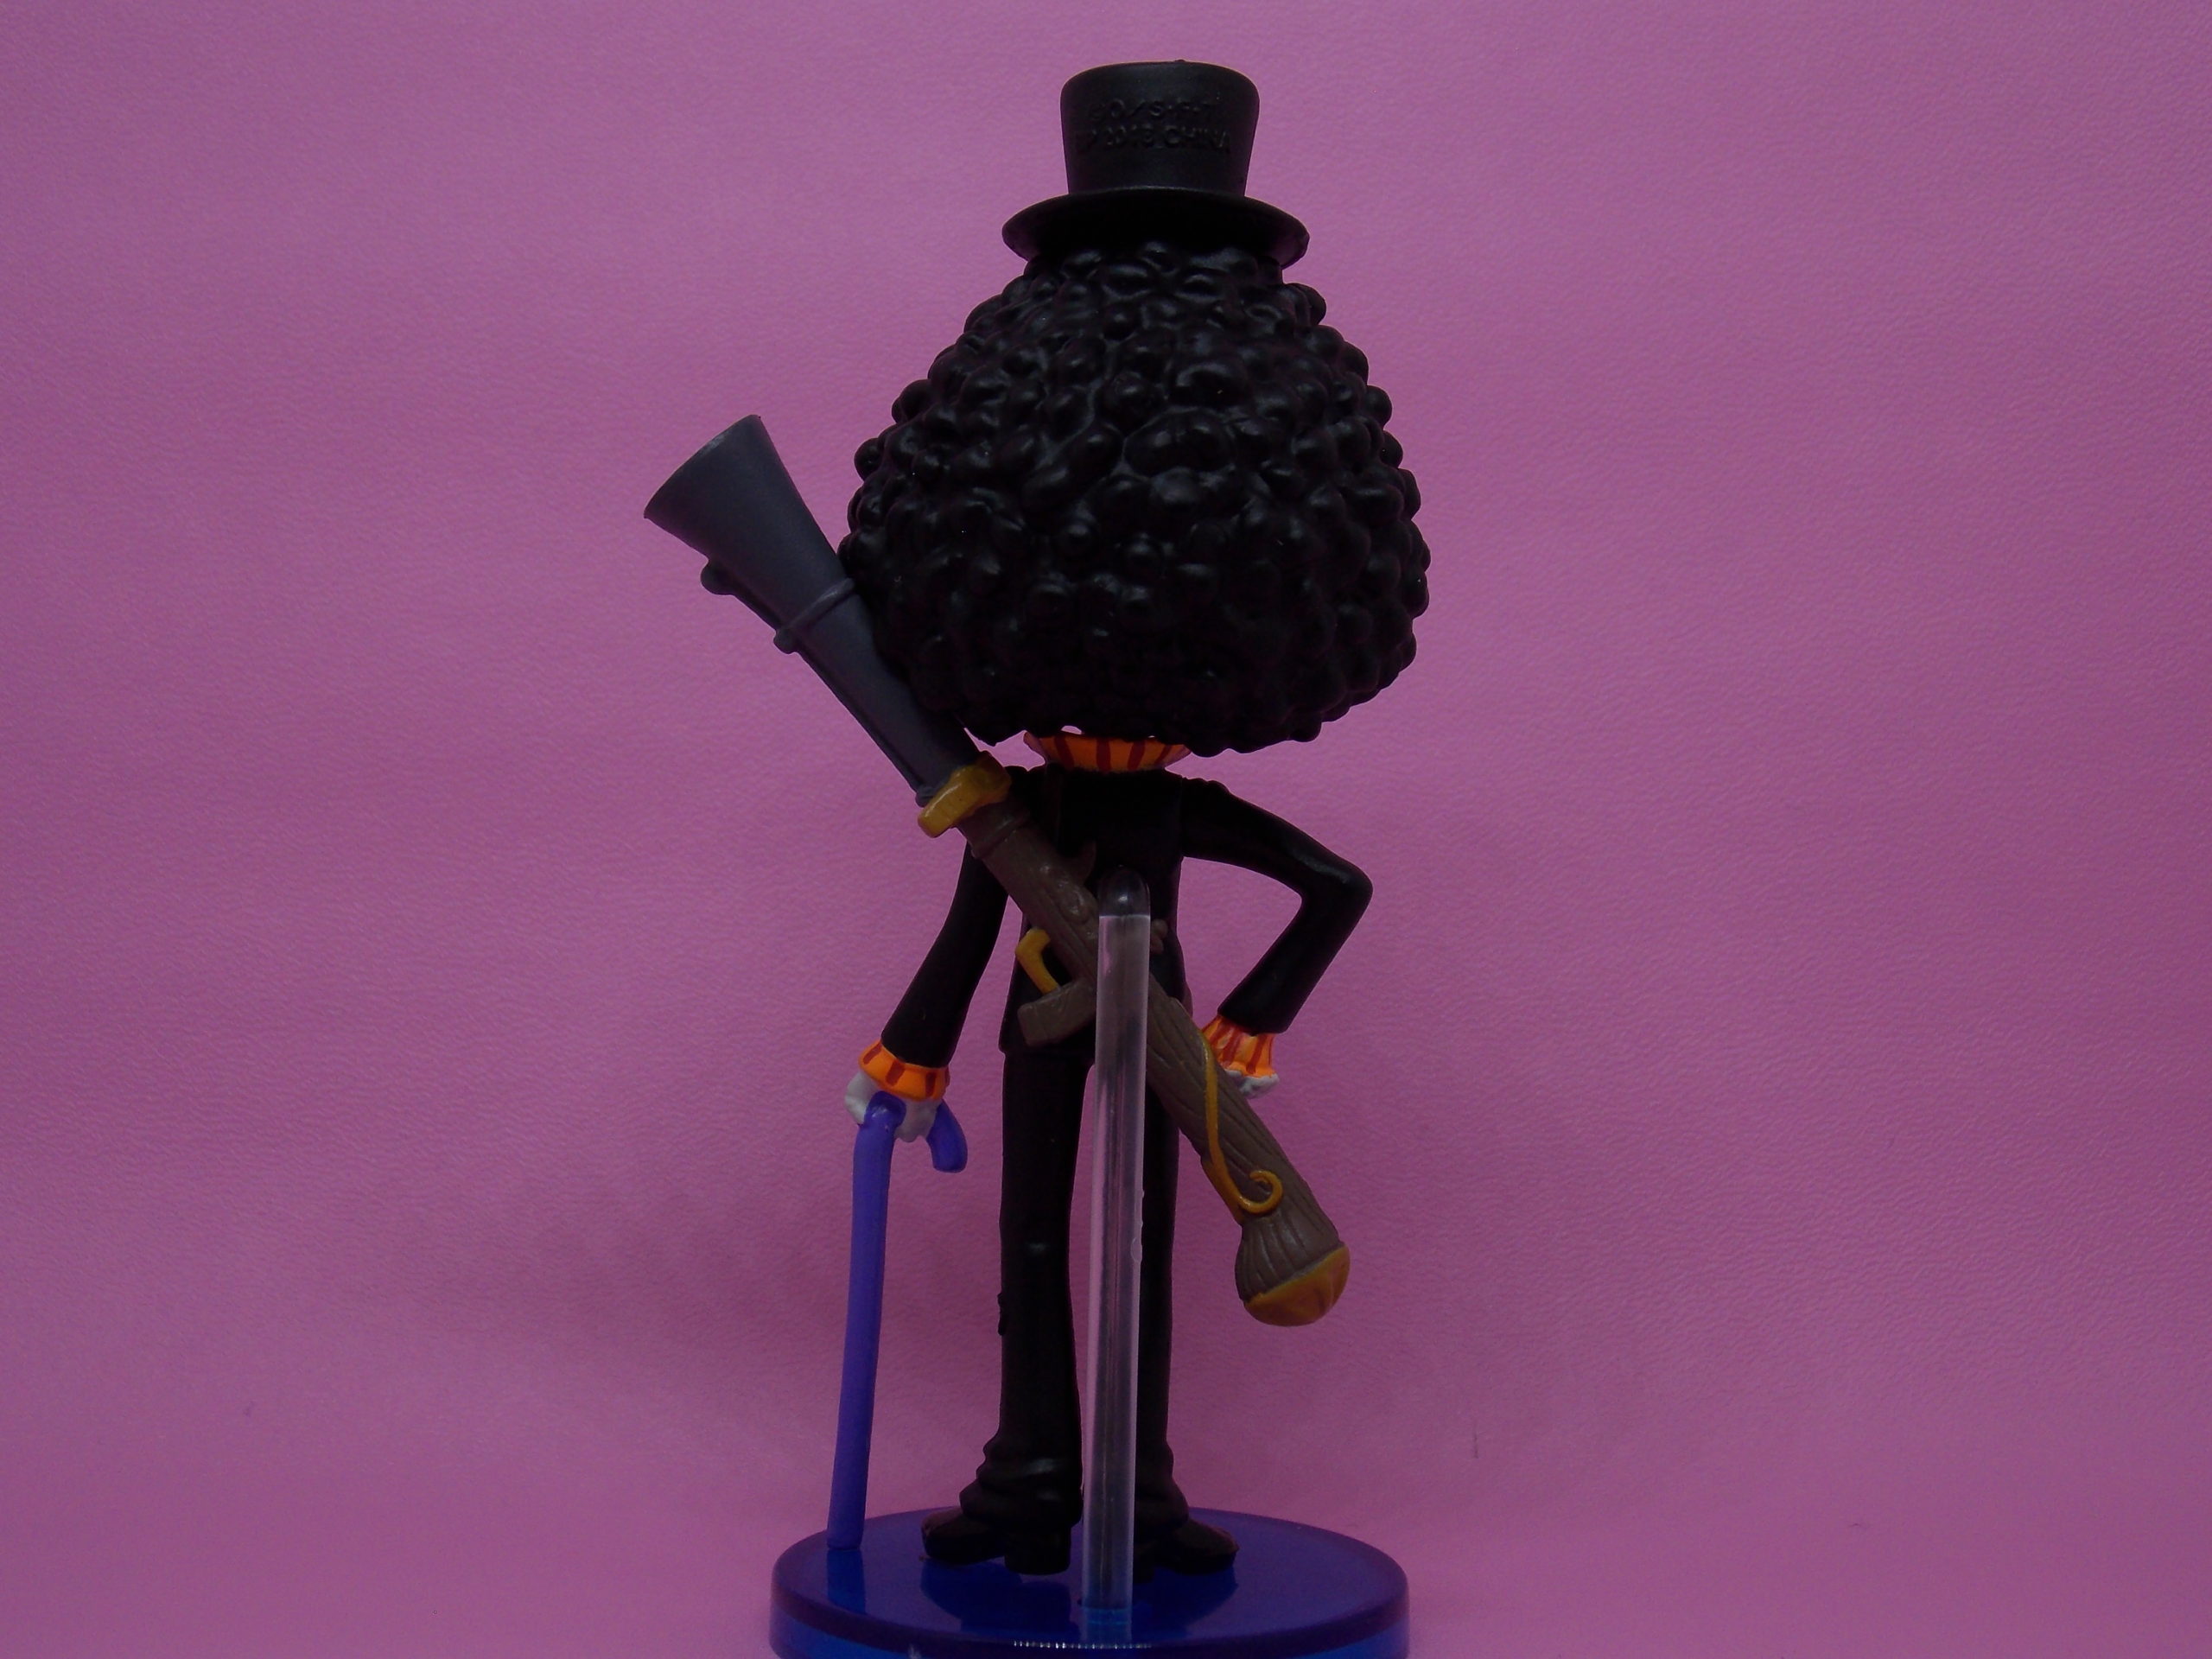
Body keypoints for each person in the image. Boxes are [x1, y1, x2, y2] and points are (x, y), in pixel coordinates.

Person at [830, 60, 1429, 1577]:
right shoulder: (1019, 803)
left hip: (1152, 1009)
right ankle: (1036, 1469)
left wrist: (1256, 1012)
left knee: (1146, 1237)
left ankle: (1139, 1485)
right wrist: (917, 1042)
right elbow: (984, 896)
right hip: (1053, 1014)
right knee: (1035, 1233)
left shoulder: (1139, 798)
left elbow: (1329, 884)